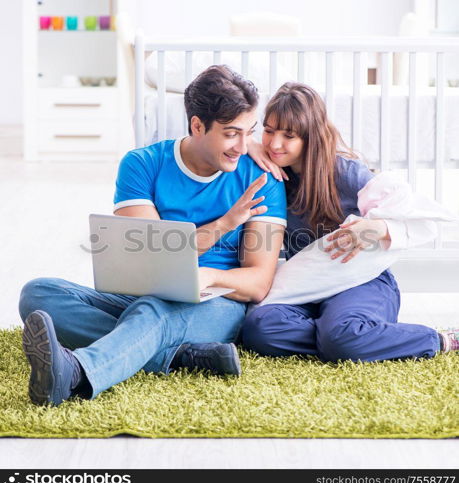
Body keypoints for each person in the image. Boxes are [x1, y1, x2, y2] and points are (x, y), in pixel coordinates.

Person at [19, 65, 287, 407]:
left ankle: (76, 372)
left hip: (219, 303)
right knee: (39, 294)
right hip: (143, 294)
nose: (243, 145)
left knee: (153, 311)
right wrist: (225, 223)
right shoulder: (142, 164)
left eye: (249, 132)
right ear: (197, 126)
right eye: (231, 133)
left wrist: (209, 275)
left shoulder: (263, 179)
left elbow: (259, 281)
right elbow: (151, 262)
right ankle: (181, 357)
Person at [242, 82, 458, 362]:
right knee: (258, 328)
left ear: (311, 137)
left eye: (289, 135)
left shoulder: (345, 173)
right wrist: (248, 144)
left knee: (341, 335)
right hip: (308, 288)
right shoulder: (271, 176)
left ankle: (439, 339)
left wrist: (377, 227)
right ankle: (345, 337)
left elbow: (417, 218)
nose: (274, 144)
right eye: (268, 131)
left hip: (361, 283)